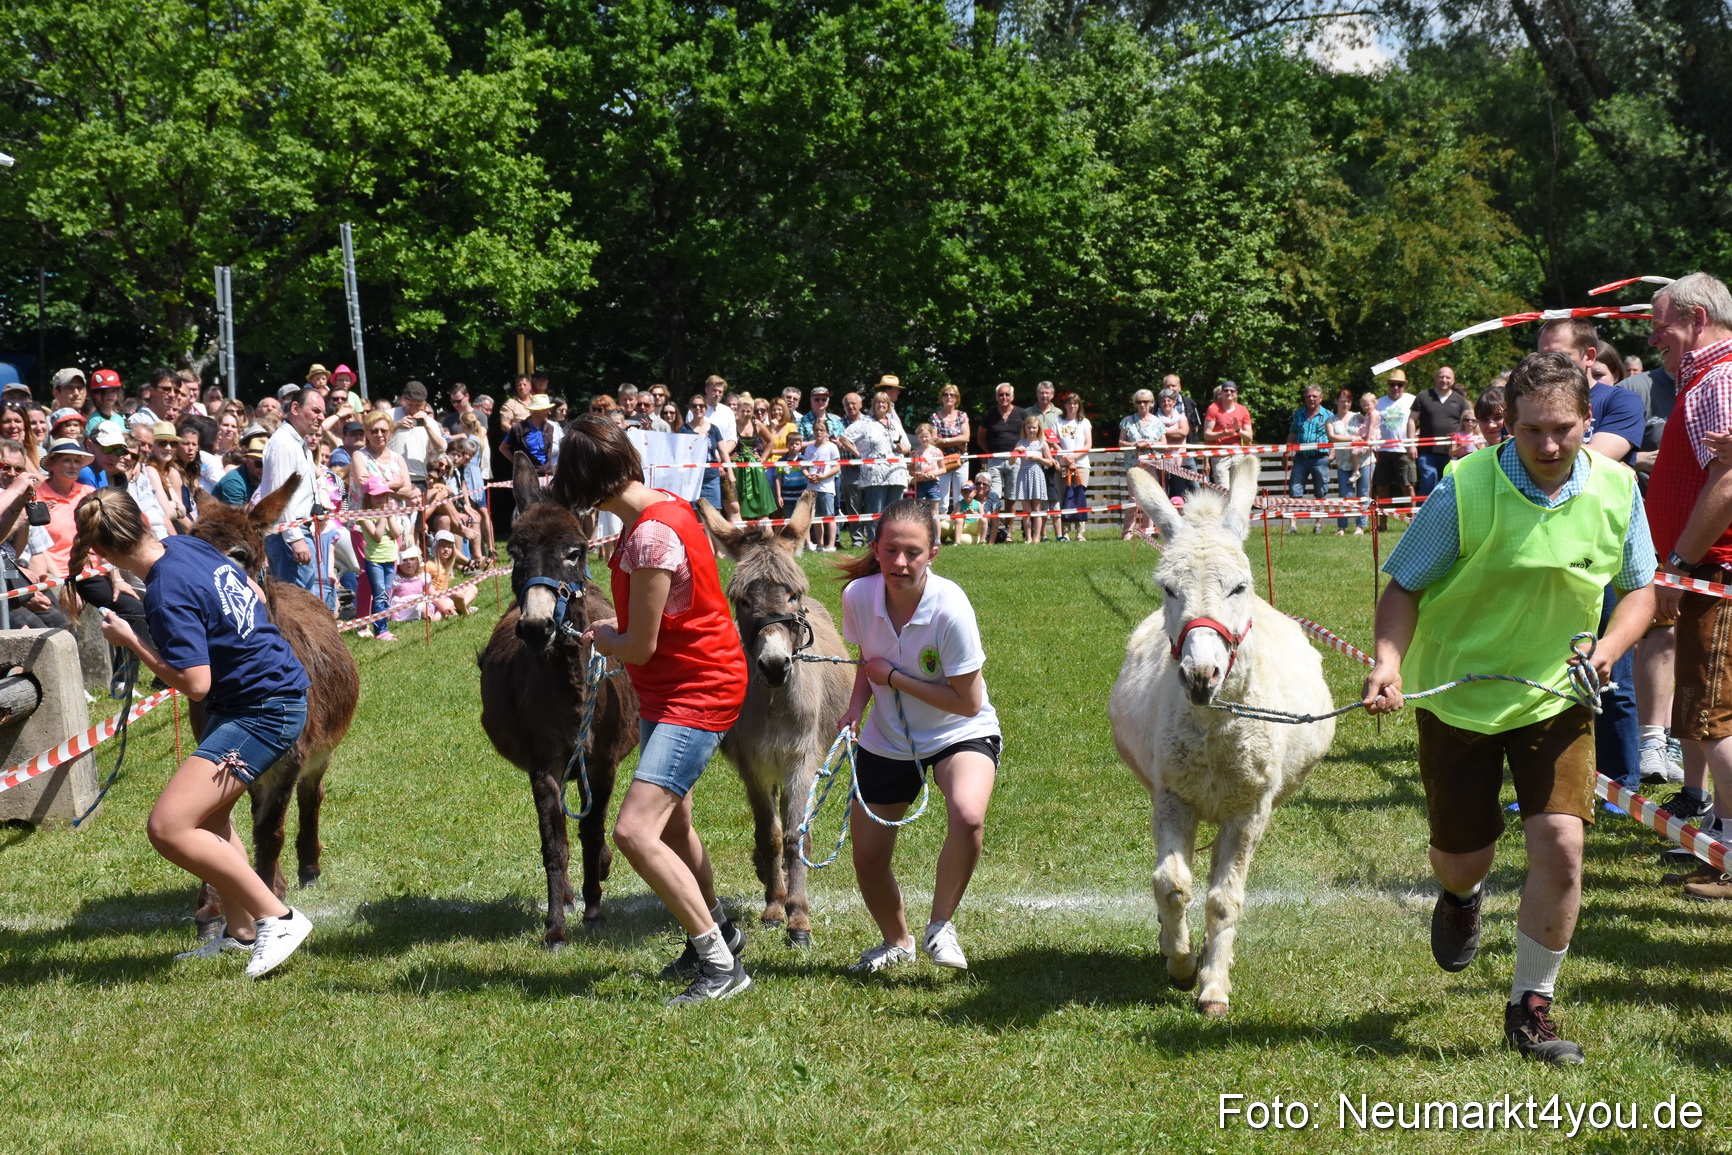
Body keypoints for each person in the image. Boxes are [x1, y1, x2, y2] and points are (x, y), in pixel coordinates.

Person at [1362, 351, 1656, 1064]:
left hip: (1557, 695)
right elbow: (1404, 586)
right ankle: (1461, 897)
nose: (1549, 445)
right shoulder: (1466, 486)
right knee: (1463, 858)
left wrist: (1610, 647)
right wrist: (1388, 662)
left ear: (1587, 420)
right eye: (1532, 430)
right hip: (1459, 697)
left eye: (1563, 429)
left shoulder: (1617, 487)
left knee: (1562, 846)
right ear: (1507, 424)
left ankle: (1531, 1008)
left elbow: (1640, 590)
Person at [62, 488, 312, 977]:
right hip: (263, 696)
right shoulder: (187, 546)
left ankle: (279, 919)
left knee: (169, 827)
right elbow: (256, 592)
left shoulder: (165, 592)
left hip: (263, 710)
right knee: (211, 819)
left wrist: (133, 641)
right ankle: (240, 932)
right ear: (143, 520)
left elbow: (196, 684)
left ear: (101, 551)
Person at [551, 415, 752, 1004]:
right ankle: (721, 933)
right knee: (674, 822)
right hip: (673, 686)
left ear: (586, 484)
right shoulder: (666, 507)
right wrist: (623, 631)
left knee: (635, 832)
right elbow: (665, 617)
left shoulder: (648, 536)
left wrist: (604, 637)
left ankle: (719, 966)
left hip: (699, 690)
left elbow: (640, 646)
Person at [836, 499, 1002, 973]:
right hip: (888, 738)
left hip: (960, 731)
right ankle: (897, 942)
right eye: (891, 550)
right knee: (868, 857)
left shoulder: (950, 608)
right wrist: (855, 709)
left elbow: (967, 702)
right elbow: (867, 661)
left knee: (968, 814)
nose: (900, 563)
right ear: (876, 549)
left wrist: (895, 679)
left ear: (933, 554)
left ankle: (940, 926)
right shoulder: (858, 596)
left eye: (913, 552)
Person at [1536, 317, 1648, 805]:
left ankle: (1620, 785)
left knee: (1611, 676)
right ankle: (1549, 783)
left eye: (1557, 354)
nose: (1546, 362)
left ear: (1588, 357)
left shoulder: (1618, 401)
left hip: (1602, 555)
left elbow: (1592, 460)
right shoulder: (1536, 400)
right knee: (1549, 668)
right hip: (1545, 554)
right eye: (1540, 353)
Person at [1645, 271, 1732, 894]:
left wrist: (1678, 562)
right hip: (1703, 571)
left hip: (1712, 573)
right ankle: (1720, 842)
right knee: (1707, 715)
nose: (1654, 339)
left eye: (1662, 326)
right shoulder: (1706, 378)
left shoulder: (1720, 379)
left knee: (1715, 718)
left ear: (1697, 319)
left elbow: (1728, 484)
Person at [253, 387, 332, 610]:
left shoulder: (297, 443)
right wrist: (295, 538)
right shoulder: (284, 444)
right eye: (315, 410)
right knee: (295, 605)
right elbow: (280, 496)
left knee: (302, 600)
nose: (321, 417)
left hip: (296, 530)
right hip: (287, 536)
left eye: (323, 412)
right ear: (295, 408)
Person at [841, 390, 909, 543]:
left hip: (897, 474)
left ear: (888, 405)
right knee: (875, 512)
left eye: (884, 402)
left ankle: (893, 542)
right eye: (878, 402)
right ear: (873, 405)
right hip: (875, 475)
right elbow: (844, 438)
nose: (881, 405)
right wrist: (859, 454)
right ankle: (874, 543)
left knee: (894, 512)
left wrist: (902, 448)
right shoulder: (865, 423)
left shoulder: (895, 424)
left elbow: (907, 447)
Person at [1411, 366, 1469, 496]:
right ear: (1436, 378)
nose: (1444, 380)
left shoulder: (1460, 400)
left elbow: (1470, 420)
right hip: (1427, 451)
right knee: (1428, 484)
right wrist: (1411, 445)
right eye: (1441, 376)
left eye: (1448, 377)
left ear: (1453, 380)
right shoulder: (1423, 396)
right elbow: (1411, 420)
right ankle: (1424, 510)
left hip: (1452, 453)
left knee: (1451, 488)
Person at [1372, 369, 1417, 530]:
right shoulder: (1379, 403)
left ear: (1405, 385)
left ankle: (1412, 522)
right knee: (1382, 487)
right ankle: (1382, 523)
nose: (1396, 387)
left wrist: (1414, 441)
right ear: (1388, 385)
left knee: (1407, 485)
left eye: (1399, 384)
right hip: (1383, 450)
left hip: (1404, 450)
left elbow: (1419, 420)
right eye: (1392, 384)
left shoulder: (1412, 400)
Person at [1119, 389, 1165, 540]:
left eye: (1146, 402)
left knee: (1150, 498)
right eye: (1139, 402)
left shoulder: (1157, 422)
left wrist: (1149, 443)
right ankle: (1128, 532)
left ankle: (1148, 531)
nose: (1142, 405)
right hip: (1133, 465)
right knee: (1133, 499)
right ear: (1135, 404)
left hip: (1151, 464)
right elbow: (1121, 442)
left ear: (1151, 403)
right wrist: (1134, 444)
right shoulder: (1127, 421)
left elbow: (1164, 444)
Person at [975, 383, 1026, 516]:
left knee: (1011, 497)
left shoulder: (1022, 414)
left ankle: (1009, 528)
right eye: (1001, 395)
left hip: (1015, 460)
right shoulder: (989, 414)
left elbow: (1030, 435)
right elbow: (980, 438)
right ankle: (994, 527)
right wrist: (990, 453)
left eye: (1007, 394)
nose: (1004, 397)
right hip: (995, 461)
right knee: (993, 496)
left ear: (1012, 396)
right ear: (996, 397)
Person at [1285, 384, 1330, 533]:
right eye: (1308, 396)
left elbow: (1334, 437)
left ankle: (1318, 525)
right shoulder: (1299, 414)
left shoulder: (1328, 415)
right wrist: (1286, 454)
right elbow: (1292, 434)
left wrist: (1332, 455)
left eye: (1314, 396)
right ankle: (1293, 525)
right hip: (1301, 458)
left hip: (1320, 458)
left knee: (1321, 492)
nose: (1311, 399)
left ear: (1321, 398)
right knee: (1295, 490)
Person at [1329, 389, 1374, 535]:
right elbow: (1332, 436)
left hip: (1364, 460)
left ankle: (1360, 526)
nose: (1346, 404)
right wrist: (1352, 439)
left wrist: (1370, 438)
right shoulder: (1331, 420)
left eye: (1348, 401)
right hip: (1343, 463)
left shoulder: (1358, 416)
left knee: (1363, 493)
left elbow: (1371, 425)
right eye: (1342, 401)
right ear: (1336, 401)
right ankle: (1342, 527)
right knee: (1345, 495)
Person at [1055, 391, 1092, 541]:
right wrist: (1065, 456)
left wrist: (1074, 458)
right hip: (1063, 464)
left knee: (1079, 497)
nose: (1072, 406)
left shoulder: (1084, 422)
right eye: (1069, 403)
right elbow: (1053, 442)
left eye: (1075, 403)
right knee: (1064, 497)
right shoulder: (1058, 421)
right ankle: (1065, 532)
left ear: (1079, 405)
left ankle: (1080, 532)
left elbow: (1088, 444)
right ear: (1065, 405)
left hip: (1081, 464)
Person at [928, 384, 970, 517]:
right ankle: (942, 525)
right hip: (942, 462)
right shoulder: (935, 417)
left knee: (961, 495)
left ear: (957, 398)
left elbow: (966, 437)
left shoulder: (962, 416)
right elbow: (934, 441)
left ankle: (959, 523)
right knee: (942, 497)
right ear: (941, 398)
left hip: (961, 460)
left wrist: (945, 441)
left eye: (952, 395)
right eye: (946, 394)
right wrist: (958, 442)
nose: (949, 397)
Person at [679, 394, 725, 513]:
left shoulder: (714, 429)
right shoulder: (684, 430)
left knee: (715, 511)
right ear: (690, 408)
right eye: (694, 406)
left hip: (712, 476)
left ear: (706, 407)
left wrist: (730, 472)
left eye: (701, 405)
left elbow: (723, 451)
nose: (698, 408)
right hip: (692, 477)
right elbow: (681, 453)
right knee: (695, 512)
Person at [799, 420, 841, 551]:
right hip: (812, 487)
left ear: (826, 432)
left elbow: (837, 467)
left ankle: (831, 545)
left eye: (821, 430)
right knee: (816, 517)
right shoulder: (809, 449)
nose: (819, 432)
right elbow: (804, 466)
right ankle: (820, 544)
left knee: (829, 516)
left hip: (826, 487)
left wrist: (823, 477)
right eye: (816, 430)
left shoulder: (831, 447)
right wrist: (807, 475)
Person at [1009, 414, 1051, 543]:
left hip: (1037, 475)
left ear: (1038, 428)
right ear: (1024, 428)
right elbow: (1011, 462)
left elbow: (1050, 462)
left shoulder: (1042, 444)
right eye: (1029, 427)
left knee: (1037, 509)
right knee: (1026, 510)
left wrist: (1038, 458)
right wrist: (1016, 452)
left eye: (1034, 427)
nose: (1031, 430)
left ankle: (1037, 537)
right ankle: (1028, 537)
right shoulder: (1020, 443)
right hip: (1023, 475)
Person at [1202, 380, 1253, 483]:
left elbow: (1249, 437)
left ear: (1236, 393)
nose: (1229, 393)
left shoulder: (1242, 410)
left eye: (1232, 391)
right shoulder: (1213, 408)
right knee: (1223, 488)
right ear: (1221, 393)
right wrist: (1223, 433)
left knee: (1237, 487)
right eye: (1226, 390)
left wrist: (1238, 430)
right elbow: (1207, 435)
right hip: (1219, 454)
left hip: (1237, 453)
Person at [212, 433, 267, 506]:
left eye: (267, 464)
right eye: (259, 464)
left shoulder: (265, 478)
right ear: (248, 462)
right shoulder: (233, 482)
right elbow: (236, 512)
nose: (263, 468)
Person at [910, 424, 944, 517]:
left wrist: (933, 473)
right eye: (921, 437)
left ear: (931, 436)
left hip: (933, 483)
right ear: (917, 437)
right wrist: (919, 474)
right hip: (920, 483)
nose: (924, 439)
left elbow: (943, 469)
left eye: (926, 436)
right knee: (921, 510)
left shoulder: (937, 451)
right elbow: (910, 472)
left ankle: (936, 527)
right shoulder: (914, 453)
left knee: (934, 512)